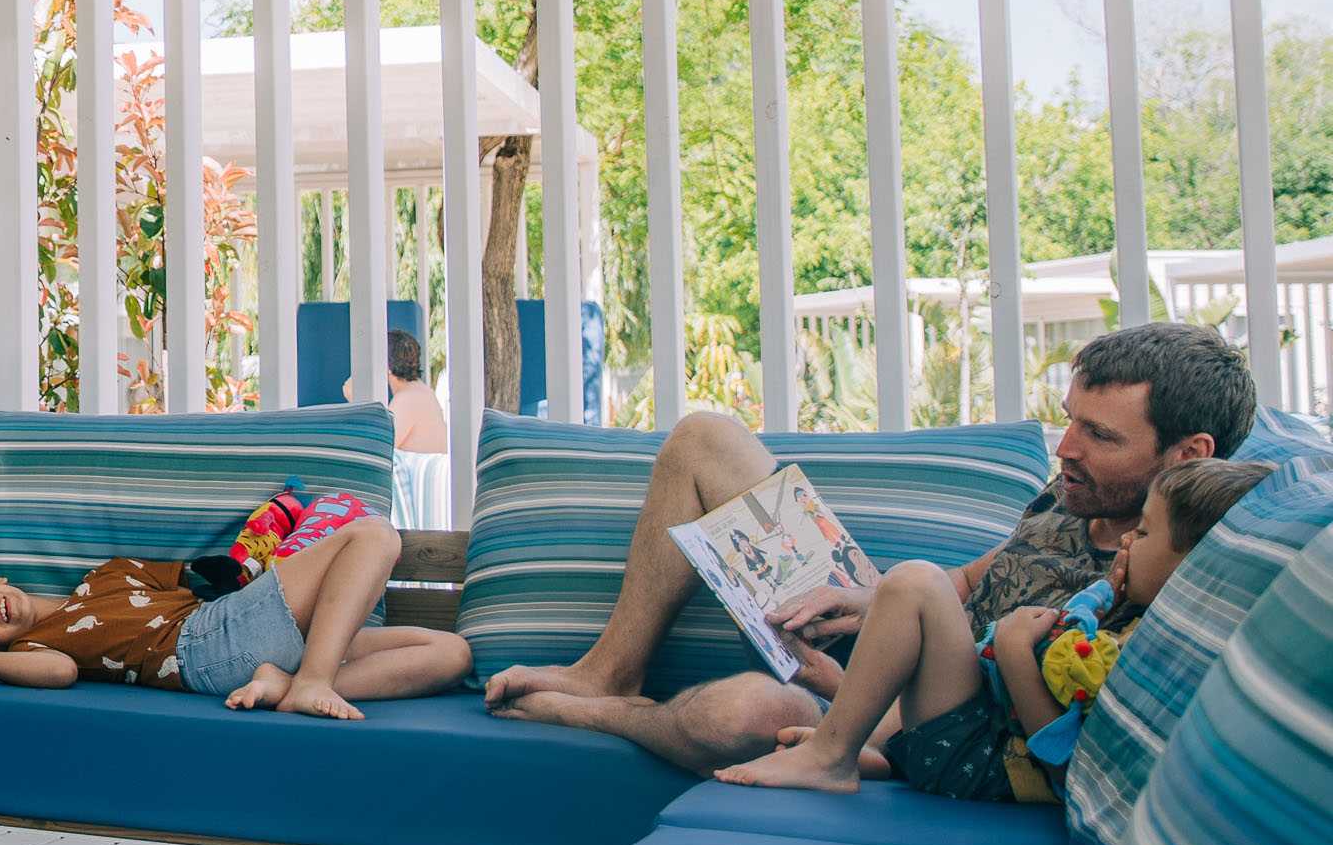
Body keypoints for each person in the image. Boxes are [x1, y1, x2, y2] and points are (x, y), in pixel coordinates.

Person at [483, 322, 1257, 775]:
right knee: (704, 438)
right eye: (1070, 420)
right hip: (889, 622)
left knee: (740, 714)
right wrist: (863, 598)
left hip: (903, 712)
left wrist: (859, 705)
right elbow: (968, 580)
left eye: (1100, 435)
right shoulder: (1077, 492)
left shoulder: (1166, 577)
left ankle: (605, 716)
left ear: (1189, 453)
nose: (1066, 449)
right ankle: (609, 669)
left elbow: (1021, 734)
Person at [718, 455, 1272, 797]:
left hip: (986, 760)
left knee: (914, 582)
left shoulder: (1151, 651)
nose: (1127, 541)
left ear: (1197, 565)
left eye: (1144, 534)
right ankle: (867, 748)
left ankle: (832, 756)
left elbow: (1067, 767)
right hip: (970, 732)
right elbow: (967, 583)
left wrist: (1012, 651)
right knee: (913, 584)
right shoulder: (1124, 602)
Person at [0, 512, 470, 720]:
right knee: (374, 535)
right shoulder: (35, 647)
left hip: (233, 624)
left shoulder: (107, 574)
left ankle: (288, 683)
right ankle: (314, 682)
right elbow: (58, 674)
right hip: (202, 647)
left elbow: (212, 581)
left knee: (451, 654)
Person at [385, 328, 446, 456]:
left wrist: (359, 400)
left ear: (387, 366)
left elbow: (379, 449)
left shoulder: (406, 399)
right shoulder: (421, 391)